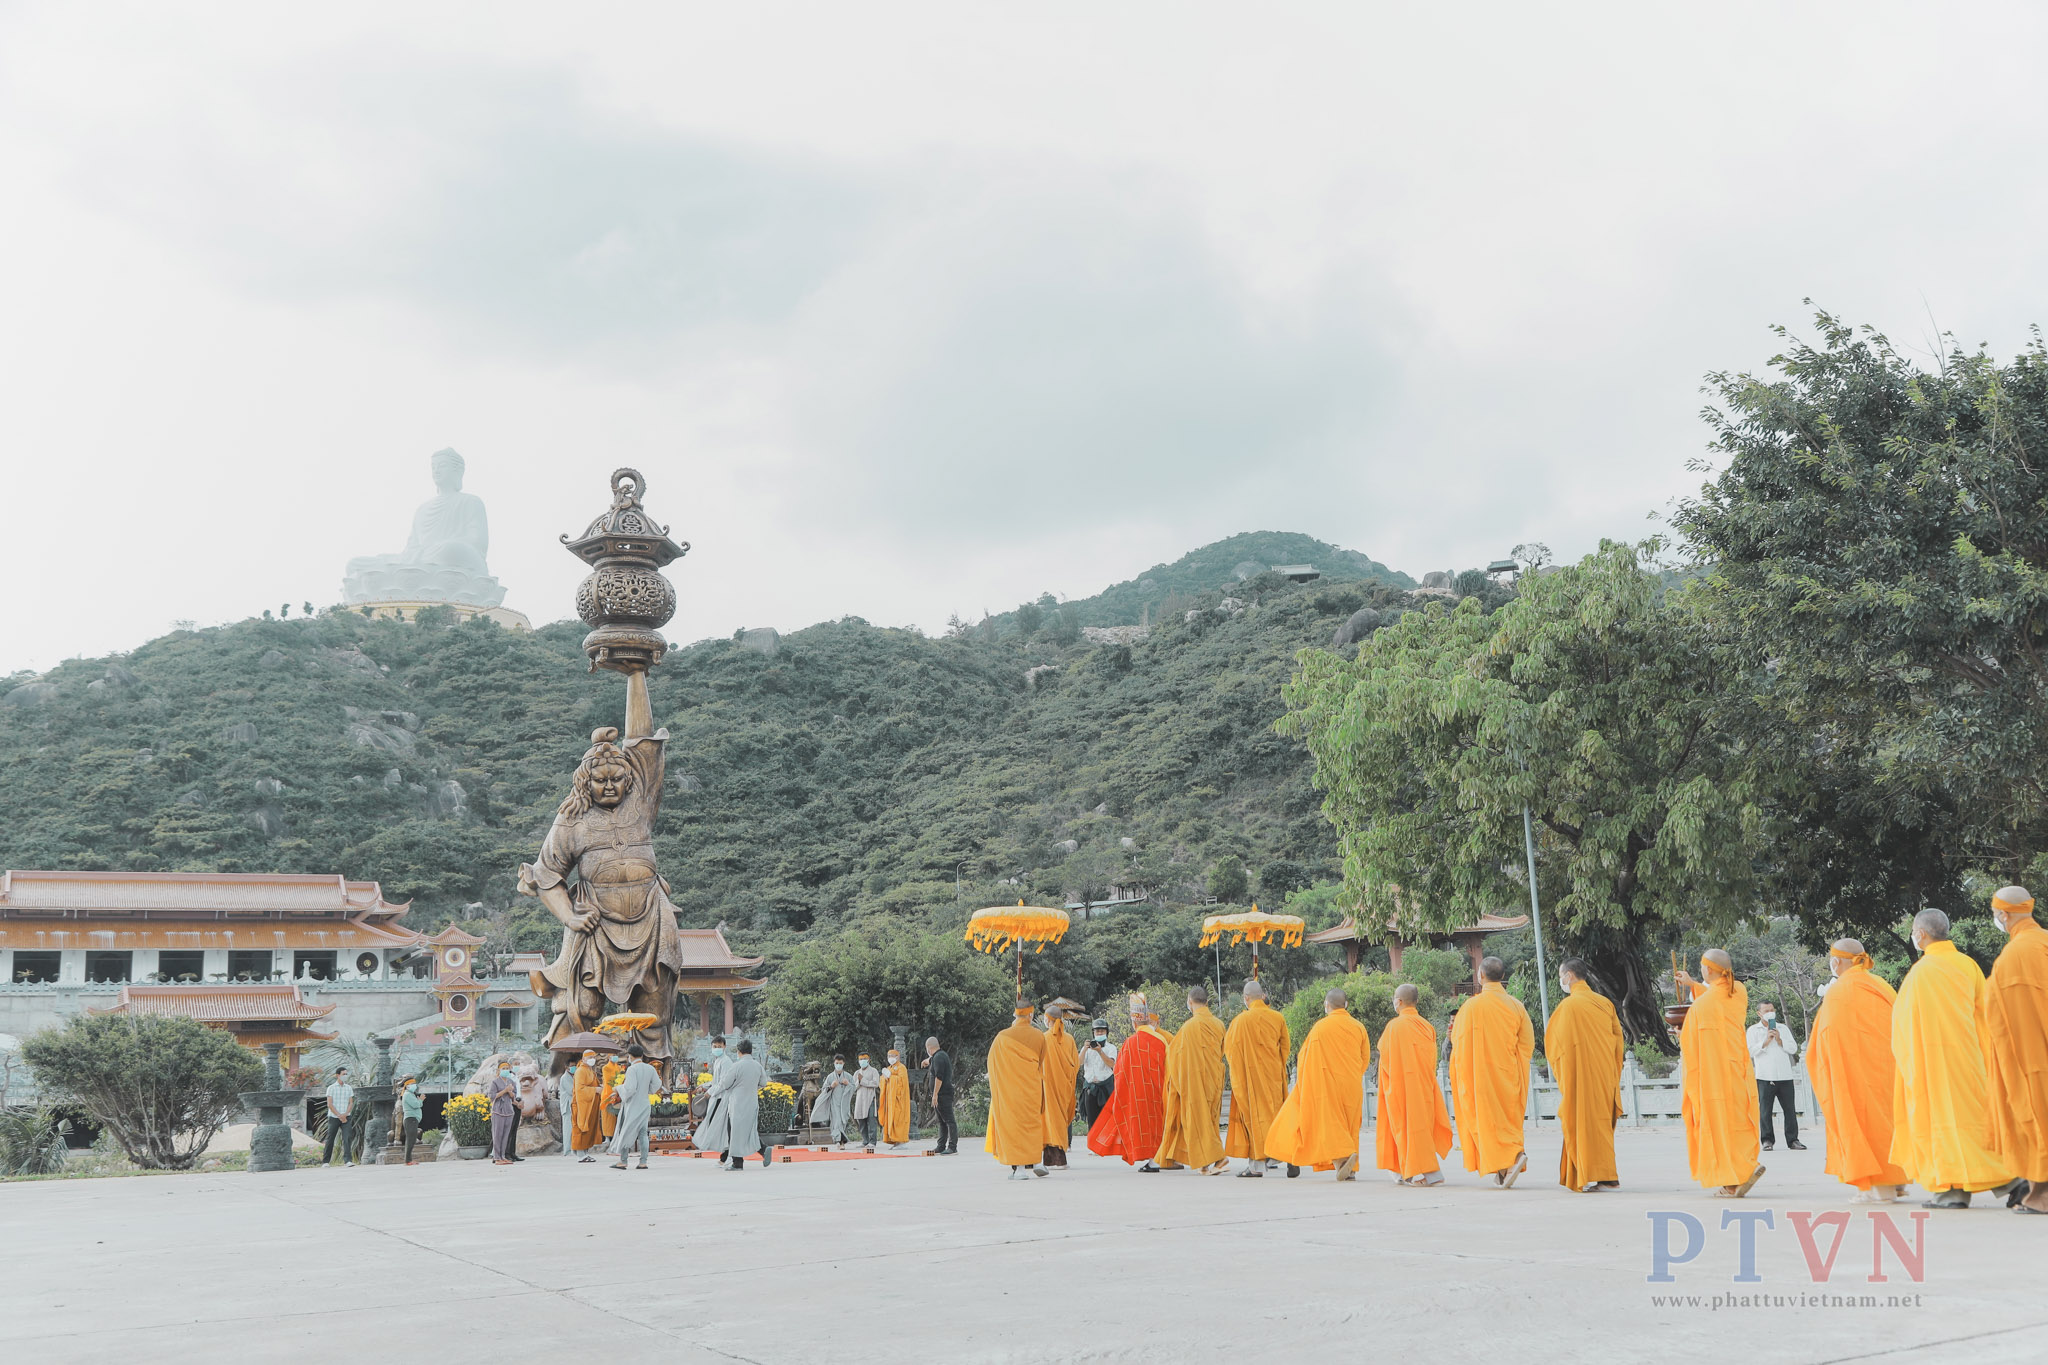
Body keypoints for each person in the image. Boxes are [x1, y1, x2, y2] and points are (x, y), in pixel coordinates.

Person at [520, 666, 687, 1075]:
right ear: (585, 782)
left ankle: (657, 1084)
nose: (610, 786)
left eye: (616, 779)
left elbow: (643, 746)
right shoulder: (571, 819)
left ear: (629, 780)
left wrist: (636, 673)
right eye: (600, 780)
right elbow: (547, 875)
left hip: (650, 915)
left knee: (653, 1010)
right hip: (595, 920)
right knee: (580, 1004)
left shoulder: (641, 802)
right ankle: (561, 1077)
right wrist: (570, 916)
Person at [1893, 908, 2021, 1208]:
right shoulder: (1967, 964)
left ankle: (2000, 1182)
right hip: (1970, 1059)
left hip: (1934, 1065)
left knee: (1944, 1125)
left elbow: (1904, 1025)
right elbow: (1986, 1013)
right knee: (1974, 1123)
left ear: (1921, 934)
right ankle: (1958, 1189)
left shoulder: (1920, 973)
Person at [1805, 939, 1909, 1203]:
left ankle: (1880, 1188)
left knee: (1864, 1126)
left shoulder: (1838, 992)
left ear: (1836, 962)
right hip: (1889, 1070)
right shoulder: (1881, 984)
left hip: (1856, 1073)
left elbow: (1826, 1038)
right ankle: (1896, 1178)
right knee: (1889, 1122)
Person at [1673, 950, 1765, 1197]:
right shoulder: (1739, 991)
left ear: (1709, 970)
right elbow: (1717, 998)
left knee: (1719, 1125)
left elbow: (1692, 1039)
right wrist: (1693, 984)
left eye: (1702, 966)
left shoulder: (1701, 1007)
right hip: (1738, 1069)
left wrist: (1682, 1035)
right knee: (1738, 1120)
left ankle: (1732, 1181)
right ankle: (1746, 1164)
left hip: (1715, 1074)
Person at [1985, 887, 2048, 1214]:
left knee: (2037, 1123)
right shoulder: (2043, 942)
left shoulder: (2014, 956)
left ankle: (2041, 1196)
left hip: (2032, 1056)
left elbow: (2002, 1018)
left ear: (2003, 915)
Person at [1266, 988, 1372, 1180]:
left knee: (1331, 1124)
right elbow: (1365, 1057)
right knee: (1349, 1125)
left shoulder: (1320, 1028)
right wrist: (1354, 1074)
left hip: (1327, 1085)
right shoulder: (1358, 1027)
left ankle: (1344, 1159)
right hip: (1352, 1084)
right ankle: (1349, 1168)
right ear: (1346, 1005)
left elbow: (1305, 1058)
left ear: (1326, 1005)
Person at [1449, 957, 1534, 1188]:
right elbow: (1526, 1044)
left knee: (1484, 1122)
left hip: (1480, 1077)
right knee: (1508, 1119)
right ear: (1502, 976)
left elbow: (1458, 1043)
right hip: (1508, 1074)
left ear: (1481, 976)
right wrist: (1515, 1064)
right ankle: (1507, 1163)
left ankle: (1512, 1158)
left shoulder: (1469, 1007)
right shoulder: (1516, 1006)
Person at [1545, 958, 1625, 1192]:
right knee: (1600, 1127)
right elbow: (1618, 1043)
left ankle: (1605, 1177)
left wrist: (1565, 1073)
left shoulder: (1567, 1007)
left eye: (1561, 976)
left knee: (1583, 1126)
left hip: (1580, 1079)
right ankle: (1606, 1176)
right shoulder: (1604, 1003)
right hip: (1604, 1078)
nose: (1561, 980)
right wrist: (1613, 1074)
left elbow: (1555, 1047)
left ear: (1569, 976)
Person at [1376, 983, 1452, 1187]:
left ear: (1399, 1001)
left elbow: (1385, 1058)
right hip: (1423, 1087)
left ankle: (1414, 1172)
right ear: (1416, 1001)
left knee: (1404, 1128)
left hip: (1401, 1087)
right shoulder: (1426, 1026)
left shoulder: (1394, 1026)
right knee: (1421, 1129)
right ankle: (1418, 1171)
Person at [1155, 985, 1229, 1175]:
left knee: (1197, 1120)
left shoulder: (1189, 1027)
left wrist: (1175, 1081)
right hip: (1214, 1079)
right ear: (1207, 1002)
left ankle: (1219, 1158)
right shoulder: (1219, 1024)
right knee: (1209, 1121)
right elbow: (1222, 1051)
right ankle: (1204, 1163)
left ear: (1190, 1001)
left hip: (1195, 1080)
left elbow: (1175, 1055)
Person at [1087, 995, 1167, 1168]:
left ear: (1134, 1022)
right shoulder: (1161, 1040)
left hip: (1139, 1093)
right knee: (1158, 1123)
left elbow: (1119, 1071)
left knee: (1142, 1125)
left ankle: (1152, 1160)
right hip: (1160, 1090)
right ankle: (1158, 1159)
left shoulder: (1130, 1043)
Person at [1223, 979, 1290, 1177]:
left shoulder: (1239, 1022)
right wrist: (1275, 1066)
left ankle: (1257, 1165)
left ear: (1246, 998)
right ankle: (1282, 1153)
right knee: (1275, 1116)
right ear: (1262, 996)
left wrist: (1241, 1072)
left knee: (1255, 1119)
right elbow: (1285, 1048)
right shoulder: (1277, 1017)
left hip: (1250, 1079)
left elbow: (1230, 1051)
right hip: (1273, 1077)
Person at [986, 1005, 1051, 1179]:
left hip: (1011, 1091)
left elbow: (992, 1064)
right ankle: (1038, 1162)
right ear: (1031, 1015)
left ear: (1015, 1015)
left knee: (1014, 1128)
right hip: (1032, 1088)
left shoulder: (1002, 1037)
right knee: (1033, 1125)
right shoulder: (1039, 1035)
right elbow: (1040, 1060)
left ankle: (1020, 1170)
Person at [1748, 998, 1804, 1152]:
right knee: (1765, 1110)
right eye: (1766, 1011)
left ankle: (1793, 1140)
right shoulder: (1753, 1030)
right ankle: (1767, 1140)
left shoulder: (1783, 1028)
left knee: (1790, 1110)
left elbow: (1793, 1048)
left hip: (1785, 1075)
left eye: (1772, 1010)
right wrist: (1765, 1042)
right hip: (1765, 1076)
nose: (1770, 1013)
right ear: (1759, 1013)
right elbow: (1750, 1051)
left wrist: (1779, 1040)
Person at [703, 1038, 767, 1170]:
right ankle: (764, 1150)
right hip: (752, 1102)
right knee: (749, 1131)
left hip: (737, 1104)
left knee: (733, 1131)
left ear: (739, 1051)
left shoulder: (736, 1066)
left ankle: (737, 1163)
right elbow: (763, 1083)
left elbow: (724, 1084)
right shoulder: (758, 1066)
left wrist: (711, 1092)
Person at [1039, 1005, 1080, 1169]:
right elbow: (1076, 1065)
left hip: (1049, 1086)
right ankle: (1052, 1159)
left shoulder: (1044, 1038)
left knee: (1050, 1121)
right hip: (1065, 1089)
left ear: (1048, 1019)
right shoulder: (1069, 1039)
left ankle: (1058, 1159)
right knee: (1059, 1121)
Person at [608, 1046, 661, 1171]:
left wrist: (617, 1088)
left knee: (626, 1130)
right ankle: (643, 1162)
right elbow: (657, 1084)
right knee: (643, 1133)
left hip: (632, 1105)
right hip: (644, 1104)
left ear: (630, 1056)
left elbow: (630, 1089)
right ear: (642, 1055)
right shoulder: (650, 1068)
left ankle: (623, 1161)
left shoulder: (632, 1069)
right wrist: (646, 1090)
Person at [1078, 1019, 1118, 1128]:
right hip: (1090, 1089)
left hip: (1106, 1088)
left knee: (1108, 1122)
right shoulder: (1087, 1048)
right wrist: (1084, 1049)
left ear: (1106, 1032)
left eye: (1102, 1031)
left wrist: (1100, 1051)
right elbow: (1079, 1062)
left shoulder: (1111, 1048)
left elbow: (1111, 1064)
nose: (1099, 1033)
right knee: (1092, 1123)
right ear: (1093, 1033)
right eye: (1097, 1031)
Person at [570, 1050, 606, 1161]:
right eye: (590, 1057)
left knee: (588, 1129)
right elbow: (580, 1090)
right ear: (583, 1059)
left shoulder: (589, 1070)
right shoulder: (581, 1071)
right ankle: (581, 1155)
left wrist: (599, 1086)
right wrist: (595, 1090)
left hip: (590, 1104)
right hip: (582, 1105)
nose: (592, 1059)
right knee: (581, 1128)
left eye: (594, 1057)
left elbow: (591, 1084)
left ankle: (585, 1153)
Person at [813, 1055, 855, 1146]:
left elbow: (853, 1088)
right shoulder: (830, 1077)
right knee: (836, 1121)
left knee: (843, 1121)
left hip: (844, 1103)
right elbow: (824, 1090)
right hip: (834, 1103)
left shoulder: (848, 1076)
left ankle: (840, 1140)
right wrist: (831, 1086)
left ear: (843, 1063)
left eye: (840, 1063)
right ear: (834, 1063)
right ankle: (839, 1141)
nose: (838, 1065)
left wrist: (848, 1084)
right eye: (837, 1063)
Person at [924, 1038, 957, 1155]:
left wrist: (935, 1095)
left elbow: (939, 1077)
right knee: (941, 1121)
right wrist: (926, 1061)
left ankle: (952, 1147)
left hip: (943, 1094)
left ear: (929, 1048)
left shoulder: (938, 1057)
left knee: (949, 1121)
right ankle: (941, 1146)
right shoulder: (938, 1056)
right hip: (940, 1094)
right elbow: (932, 1060)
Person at [486, 1062, 520, 1166]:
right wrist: (505, 1090)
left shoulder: (511, 1082)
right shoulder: (495, 1082)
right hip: (498, 1111)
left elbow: (513, 1096)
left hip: (509, 1110)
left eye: (507, 1068)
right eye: (503, 1068)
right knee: (497, 1134)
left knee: (506, 1135)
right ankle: (497, 1157)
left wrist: (510, 1092)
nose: (505, 1070)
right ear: (499, 1070)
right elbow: (492, 1096)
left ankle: (503, 1156)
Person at [322, 1066, 356, 1167]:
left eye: (346, 1074)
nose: (345, 1076)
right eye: (343, 1074)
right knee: (330, 1138)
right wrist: (339, 1115)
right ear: (338, 1075)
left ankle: (348, 1160)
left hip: (346, 1117)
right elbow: (329, 1104)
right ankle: (326, 1161)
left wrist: (345, 1115)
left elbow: (351, 1103)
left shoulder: (349, 1088)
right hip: (334, 1117)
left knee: (347, 1138)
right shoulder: (331, 1088)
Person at [880, 1047, 912, 1147]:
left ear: (897, 1057)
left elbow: (902, 1082)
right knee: (891, 1120)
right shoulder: (889, 1068)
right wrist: (884, 1078)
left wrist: (891, 1077)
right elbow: (882, 1083)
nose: (890, 1058)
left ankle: (901, 1142)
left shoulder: (901, 1068)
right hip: (890, 1101)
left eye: (892, 1056)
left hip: (899, 1099)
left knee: (899, 1119)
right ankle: (894, 1141)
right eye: (889, 1056)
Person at [852, 1052, 883, 1153]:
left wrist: (863, 1080)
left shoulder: (873, 1071)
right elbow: (854, 1087)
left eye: (864, 1059)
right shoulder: (857, 1073)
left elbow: (876, 1083)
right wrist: (859, 1081)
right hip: (860, 1100)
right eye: (860, 1059)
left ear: (869, 1060)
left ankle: (872, 1142)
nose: (862, 1061)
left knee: (871, 1120)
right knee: (861, 1121)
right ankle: (865, 1141)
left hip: (870, 1099)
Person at [397, 1075, 425, 1165]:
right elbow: (416, 1105)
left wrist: (419, 1101)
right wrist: (421, 1100)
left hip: (413, 1119)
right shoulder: (407, 1094)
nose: (414, 1086)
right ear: (408, 1086)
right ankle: (408, 1160)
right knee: (410, 1140)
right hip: (410, 1119)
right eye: (412, 1084)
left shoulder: (410, 1094)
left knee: (412, 1140)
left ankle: (409, 1159)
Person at [599, 1053, 626, 1145]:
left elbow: (622, 1079)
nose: (615, 1057)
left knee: (616, 1117)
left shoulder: (619, 1068)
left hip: (617, 1093)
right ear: (608, 1057)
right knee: (607, 1117)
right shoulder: (606, 1068)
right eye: (613, 1055)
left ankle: (616, 1136)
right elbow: (608, 1081)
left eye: (616, 1055)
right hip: (608, 1093)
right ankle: (607, 1137)